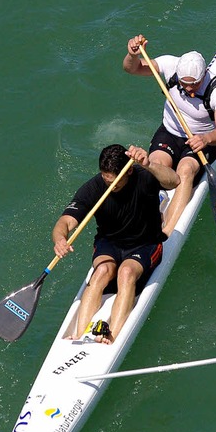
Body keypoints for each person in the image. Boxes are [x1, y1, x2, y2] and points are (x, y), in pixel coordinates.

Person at [52, 144, 180, 344]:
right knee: (102, 271)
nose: (110, 184)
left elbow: (174, 181)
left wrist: (149, 164)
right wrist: (60, 238)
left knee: (126, 273)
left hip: (145, 244)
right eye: (105, 178)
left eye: (115, 182)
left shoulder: (144, 176)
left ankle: (114, 337)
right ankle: (79, 335)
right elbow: (66, 221)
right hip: (109, 244)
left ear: (128, 170)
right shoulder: (94, 188)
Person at [123, 35, 216, 236]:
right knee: (155, 163)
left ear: (204, 75)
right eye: (184, 84)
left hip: (202, 141)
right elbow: (132, 68)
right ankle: (155, 203)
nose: (189, 89)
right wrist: (132, 55)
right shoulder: (170, 65)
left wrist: (206, 138)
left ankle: (166, 232)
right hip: (169, 132)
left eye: (195, 84)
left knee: (185, 170)